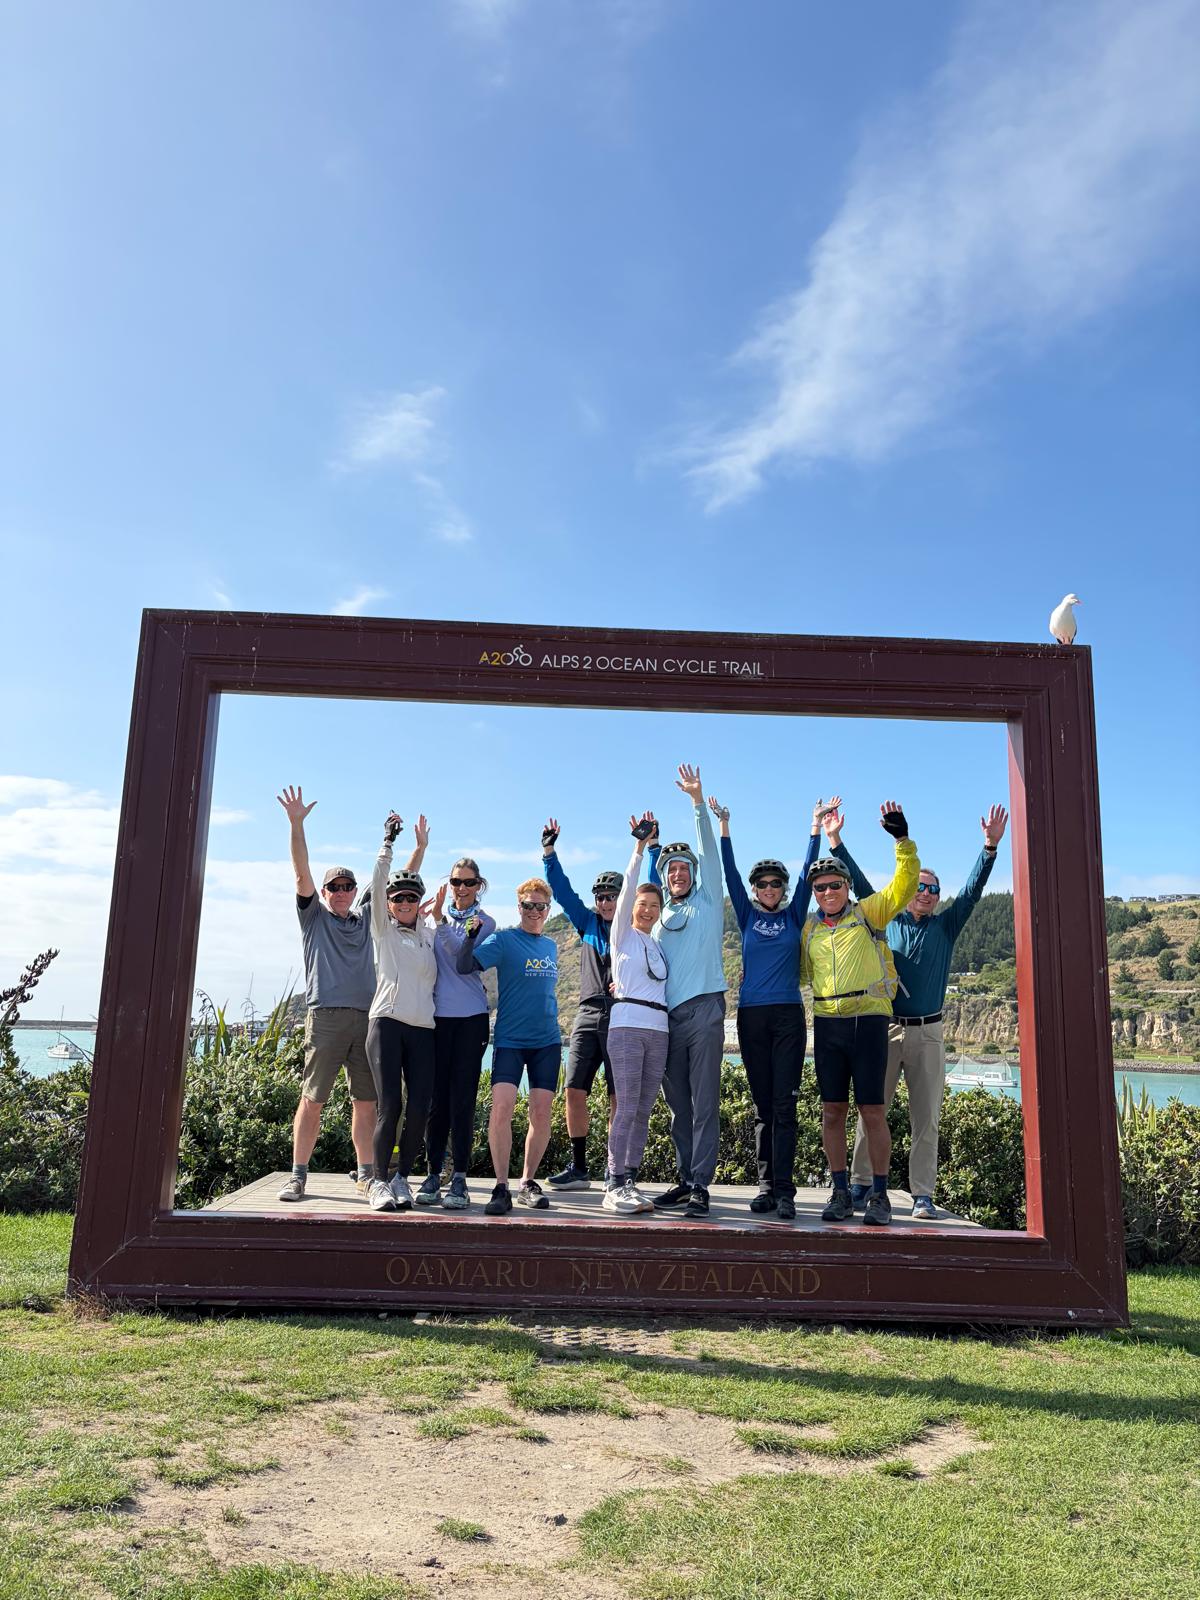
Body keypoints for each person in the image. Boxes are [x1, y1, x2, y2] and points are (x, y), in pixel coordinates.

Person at [826, 803, 1010, 1220]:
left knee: (926, 1118)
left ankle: (922, 1194)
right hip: (886, 1030)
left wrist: (989, 847)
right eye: (920, 886)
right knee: (871, 1110)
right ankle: (858, 1184)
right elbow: (856, 879)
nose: (926, 893)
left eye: (933, 889)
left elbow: (972, 891)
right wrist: (835, 841)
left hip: (929, 1033)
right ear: (909, 890)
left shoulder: (946, 926)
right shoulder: (886, 918)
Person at [709, 793, 835, 1219]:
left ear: (782, 890)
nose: (767, 889)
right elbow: (728, 874)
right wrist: (725, 828)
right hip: (749, 1017)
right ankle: (764, 1187)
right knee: (762, 1105)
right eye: (761, 884)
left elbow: (807, 875)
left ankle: (785, 1191)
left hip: (787, 1016)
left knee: (785, 1104)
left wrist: (814, 826)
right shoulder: (745, 915)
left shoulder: (794, 915)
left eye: (773, 884)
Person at [800, 803, 920, 1227]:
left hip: (868, 1022)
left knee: (872, 1112)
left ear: (847, 887)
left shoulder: (868, 913)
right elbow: (793, 972)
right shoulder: (809, 930)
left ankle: (880, 1196)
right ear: (813, 892)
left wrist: (902, 840)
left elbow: (905, 886)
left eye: (835, 885)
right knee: (831, 1112)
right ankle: (838, 1191)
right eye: (820, 888)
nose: (828, 892)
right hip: (828, 1024)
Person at [275, 785, 378, 1203]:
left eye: (346, 885)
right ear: (325, 892)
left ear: (355, 891)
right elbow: (301, 873)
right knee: (312, 1098)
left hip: (368, 1018)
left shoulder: (367, 918)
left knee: (366, 1102)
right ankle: (298, 1175)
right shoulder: (314, 918)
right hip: (326, 1018)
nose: (339, 891)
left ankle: (367, 1174)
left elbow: (395, 883)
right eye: (332, 886)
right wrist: (297, 824)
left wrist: (412, 846)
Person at [456, 877, 561, 1215]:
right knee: (501, 1109)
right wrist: (469, 937)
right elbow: (464, 966)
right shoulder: (504, 941)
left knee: (541, 1114)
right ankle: (501, 1186)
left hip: (547, 1041)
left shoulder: (551, 946)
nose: (534, 911)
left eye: (540, 906)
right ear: (519, 907)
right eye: (528, 905)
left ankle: (527, 1182)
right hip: (511, 1041)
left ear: (548, 909)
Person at [651, 763, 728, 1219]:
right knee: (679, 1106)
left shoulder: (707, 901)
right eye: (671, 869)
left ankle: (701, 1185)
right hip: (666, 1019)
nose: (678, 873)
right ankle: (684, 1178)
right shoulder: (657, 917)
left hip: (704, 1011)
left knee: (703, 1103)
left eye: (684, 868)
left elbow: (710, 853)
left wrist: (698, 803)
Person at [363, 811, 438, 1213]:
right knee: (390, 1103)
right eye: (398, 898)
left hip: (423, 1030)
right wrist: (388, 843)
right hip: (387, 1025)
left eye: (412, 897)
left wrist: (423, 848)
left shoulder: (429, 934)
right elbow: (378, 884)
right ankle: (376, 1181)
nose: (405, 902)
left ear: (419, 903)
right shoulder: (383, 930)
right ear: (389, 905)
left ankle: (401, 1178)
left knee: (421, 1106)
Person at [541, 817, 620, 1191]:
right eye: (601, 896)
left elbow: (652, 885)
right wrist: (549, 853)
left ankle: (615, 1168)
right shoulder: (586, 922)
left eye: (612, 895)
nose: (605, 901)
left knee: (618, 1096)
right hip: (588, 1013)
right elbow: (563, 893)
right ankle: (579, 1167)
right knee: (574, 1090)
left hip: (623, 1014)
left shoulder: (632, 927)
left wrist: (653, 847)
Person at [413, 857, 497, 1211]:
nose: (462, 889)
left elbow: (461, 958)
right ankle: (434, 1173)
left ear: (479, 886)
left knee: (463, 1100)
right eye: (456, 882)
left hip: (471, 1020)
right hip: (437, 1020)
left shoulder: (485, 922)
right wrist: (427, 919)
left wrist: (439, 923)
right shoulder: (434, 920)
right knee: (437, 1102)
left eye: (469, 883)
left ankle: (460, 1178)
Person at [604, 812, 671, 1215]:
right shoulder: (622, 935)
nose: (646, 910)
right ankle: (613, 1182)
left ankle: (629, 1177)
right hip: (627, 1026)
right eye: (642, 905)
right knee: (626, 1105)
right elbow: (629, 889)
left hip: (658, 1029)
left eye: (653, 906)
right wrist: (640, 848)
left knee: (644, 1107)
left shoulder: (657, 944)